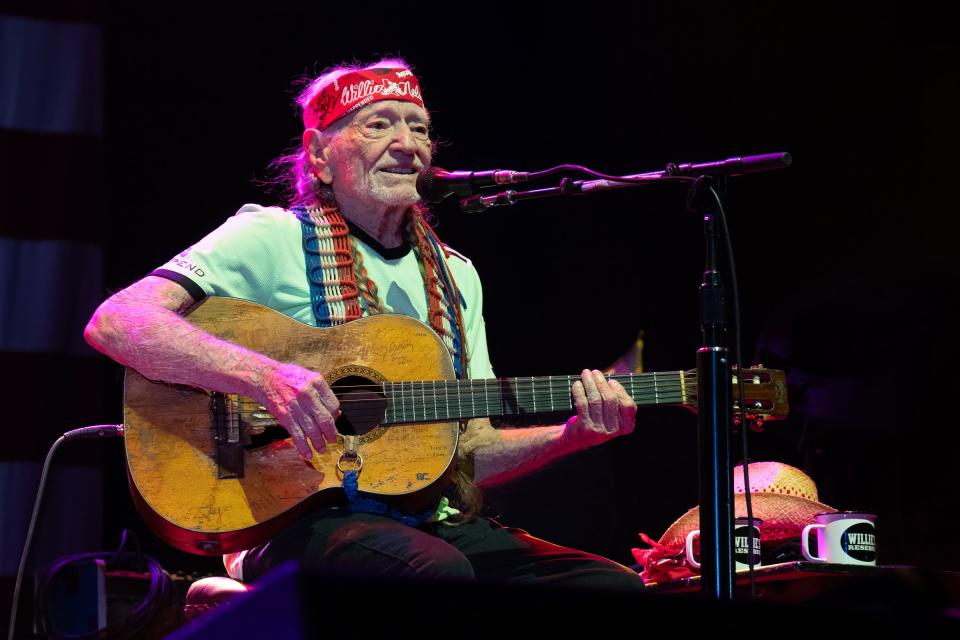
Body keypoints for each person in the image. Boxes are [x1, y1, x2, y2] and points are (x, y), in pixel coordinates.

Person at [84, 58, 642, 589]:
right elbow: (118, 320)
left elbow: (471, 448)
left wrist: (572, 437)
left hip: (428, 518)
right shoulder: (271, 237)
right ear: (319, 155)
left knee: (607, 586)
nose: (409, 146)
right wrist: (264, 378)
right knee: (436, 575)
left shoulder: (456, 276)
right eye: (379, 125)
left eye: (420, 129)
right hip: (285, 518)